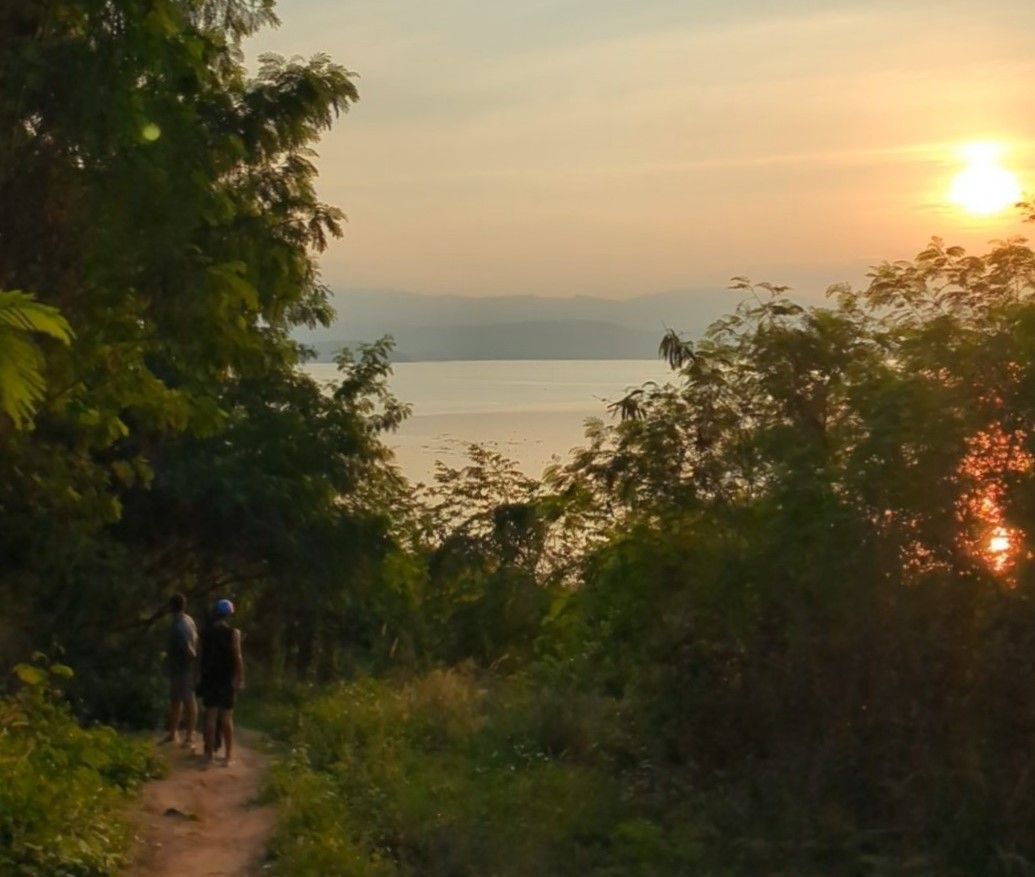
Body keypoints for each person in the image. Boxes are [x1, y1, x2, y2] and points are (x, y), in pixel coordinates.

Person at [199, 598, 244, 766]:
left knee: (210, 716)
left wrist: (197, 676)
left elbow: (199, 656)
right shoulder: (234, 633)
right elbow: (238, 657)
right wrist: (240, 678)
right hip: (226, 678)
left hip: (209, 677)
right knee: (227, 718)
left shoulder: (204, 632)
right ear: (229, 615)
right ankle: (228, 756)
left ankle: (208, 755)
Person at [162, 593, 199, 749]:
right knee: (176, 701)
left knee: (188, 701)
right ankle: (173, 733)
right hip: (181, 668)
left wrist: (193, 662)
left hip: (183, 668)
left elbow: (189, 649)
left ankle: (189, 736)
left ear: (171, 607)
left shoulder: (179, 626)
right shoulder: (188, 620)